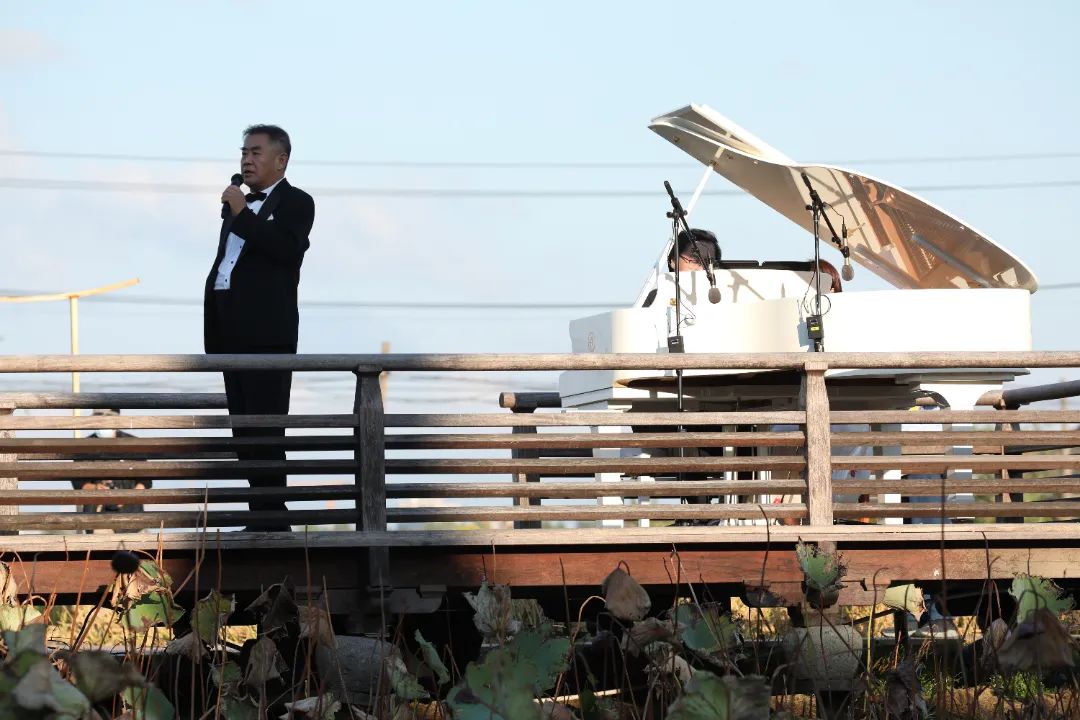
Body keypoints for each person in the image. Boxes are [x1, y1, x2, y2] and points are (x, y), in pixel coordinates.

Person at [203, 124, 314, 528]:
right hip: (230, 333)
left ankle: (273, 518)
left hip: (267, 335)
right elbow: (228, 266)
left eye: (256, 153)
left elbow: (285, 250)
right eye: (244, 153)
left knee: (266, 430)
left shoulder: (297, 202)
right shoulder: (239, 207)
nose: (247, 160)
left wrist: (242, 213)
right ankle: (260, 514)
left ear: (280, 160)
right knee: (243, 432)